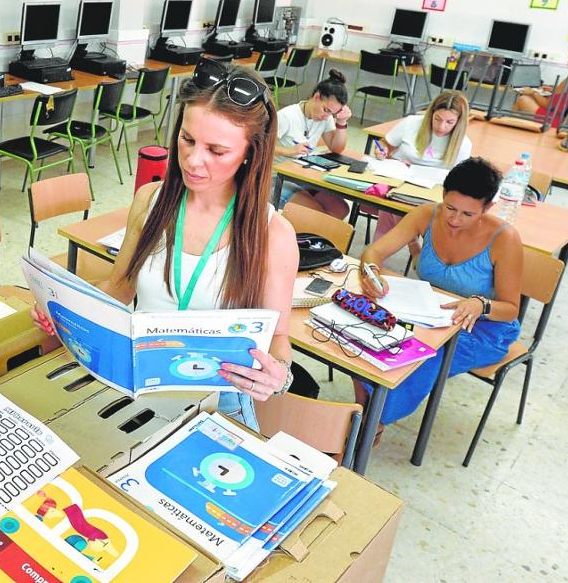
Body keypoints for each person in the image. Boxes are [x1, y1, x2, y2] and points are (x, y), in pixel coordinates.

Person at [33, 58, 299, 430]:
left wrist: (279, 376)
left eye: (216, 151)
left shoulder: (273, 235)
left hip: (216, 401)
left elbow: (279, 337)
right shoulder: (150, 201)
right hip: (136, 387)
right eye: (187, 139)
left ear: (249, 154)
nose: (193, 160)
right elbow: (118, 288)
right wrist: (64, 308)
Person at [355, 157, 523, 424]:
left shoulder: (504, 238)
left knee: (420, 355)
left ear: (488, 207)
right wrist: (371, 272)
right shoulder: (426, 215)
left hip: (482, 328)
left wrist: (481, 304)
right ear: (443, 195)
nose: (455, 219)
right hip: (428, 313)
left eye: (468, 214)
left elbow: (511, 309)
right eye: (450, 207)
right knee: (366, 333)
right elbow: (374, 251)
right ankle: (363, 414)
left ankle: (372, 424)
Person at [370, 91, 473, 240]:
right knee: (392, 203)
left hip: (431, 193)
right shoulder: (411, 123)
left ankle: (398, 248)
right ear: (431, 113)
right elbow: (386, 143)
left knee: (410, 210)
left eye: (449, 122)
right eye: (437, 119)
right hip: (398, 181)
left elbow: (460, 180)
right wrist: (383, 150)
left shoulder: (463, 143)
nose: (441, 127)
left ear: (459, 121)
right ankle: (403, 248)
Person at [275, 70, 354, 220]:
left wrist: (341, 123)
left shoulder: (325, 118)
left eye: (332, 113)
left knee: (340, 209)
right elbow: (257, 147)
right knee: (317, 215)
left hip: (303, 177)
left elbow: (336, 148)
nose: (326, 116)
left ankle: (313, 238)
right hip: (276, 178)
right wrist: (288, 151)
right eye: (326, 110)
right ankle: (303, 237)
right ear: (316, 97)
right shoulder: (287, 116)